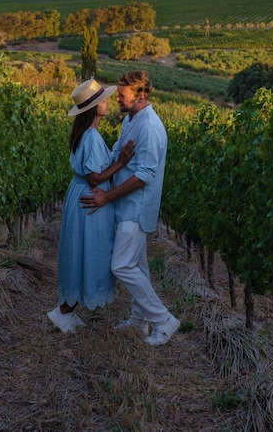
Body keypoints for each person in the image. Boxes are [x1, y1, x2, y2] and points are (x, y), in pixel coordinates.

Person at [80, 70, 180, 346]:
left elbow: (144, 175)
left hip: (136, 208)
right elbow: (118, 154)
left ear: (141, 96)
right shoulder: (130, 118)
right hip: (125, 206)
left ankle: (163, 320)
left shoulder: (149, 127)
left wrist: (107, 196)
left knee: (121, 265)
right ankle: (139, 320)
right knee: (136, 264)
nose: (119, 101)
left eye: (123, 96)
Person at [47, 78, 134, 334]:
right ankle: (63, 312)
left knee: (77, 250)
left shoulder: (82, 133)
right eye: (102, 100)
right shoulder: (92, 136)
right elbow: (95, 177)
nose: (107, 103)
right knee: (88, 249)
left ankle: (67, 310)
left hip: (79, 195)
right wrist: (121, 161)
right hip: (89, 197)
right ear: (92, 108)